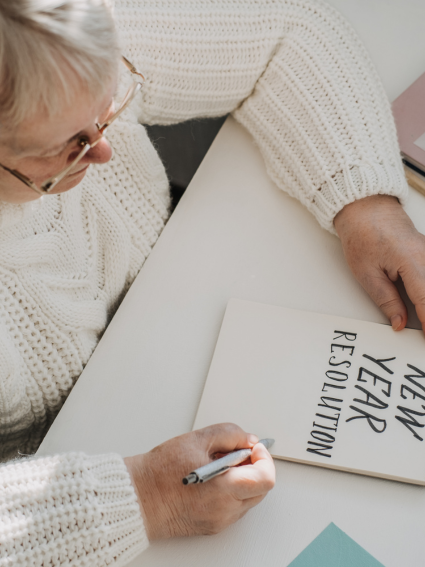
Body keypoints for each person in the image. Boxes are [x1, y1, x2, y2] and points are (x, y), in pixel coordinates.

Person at [0, 0, 424, 564]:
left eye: (107, 109)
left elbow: (286, 30)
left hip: (194, 326)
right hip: (86, 476)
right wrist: (145, 499)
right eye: (65, 146)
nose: (104, 147)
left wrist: (368, 208)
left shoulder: (48, 37)